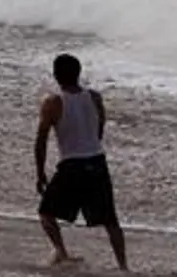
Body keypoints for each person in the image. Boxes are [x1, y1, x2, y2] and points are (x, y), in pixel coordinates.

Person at [35, 54, 128, 270]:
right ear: (79, 73)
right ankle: (123, 266)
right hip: (97, 160)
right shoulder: (94, 97)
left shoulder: (53, 102)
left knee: (46, 212)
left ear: (56, 75)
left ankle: (61, 252)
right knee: (110, 220)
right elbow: (99, 128)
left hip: (72, 165)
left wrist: (40, 172)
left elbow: (41, 140)